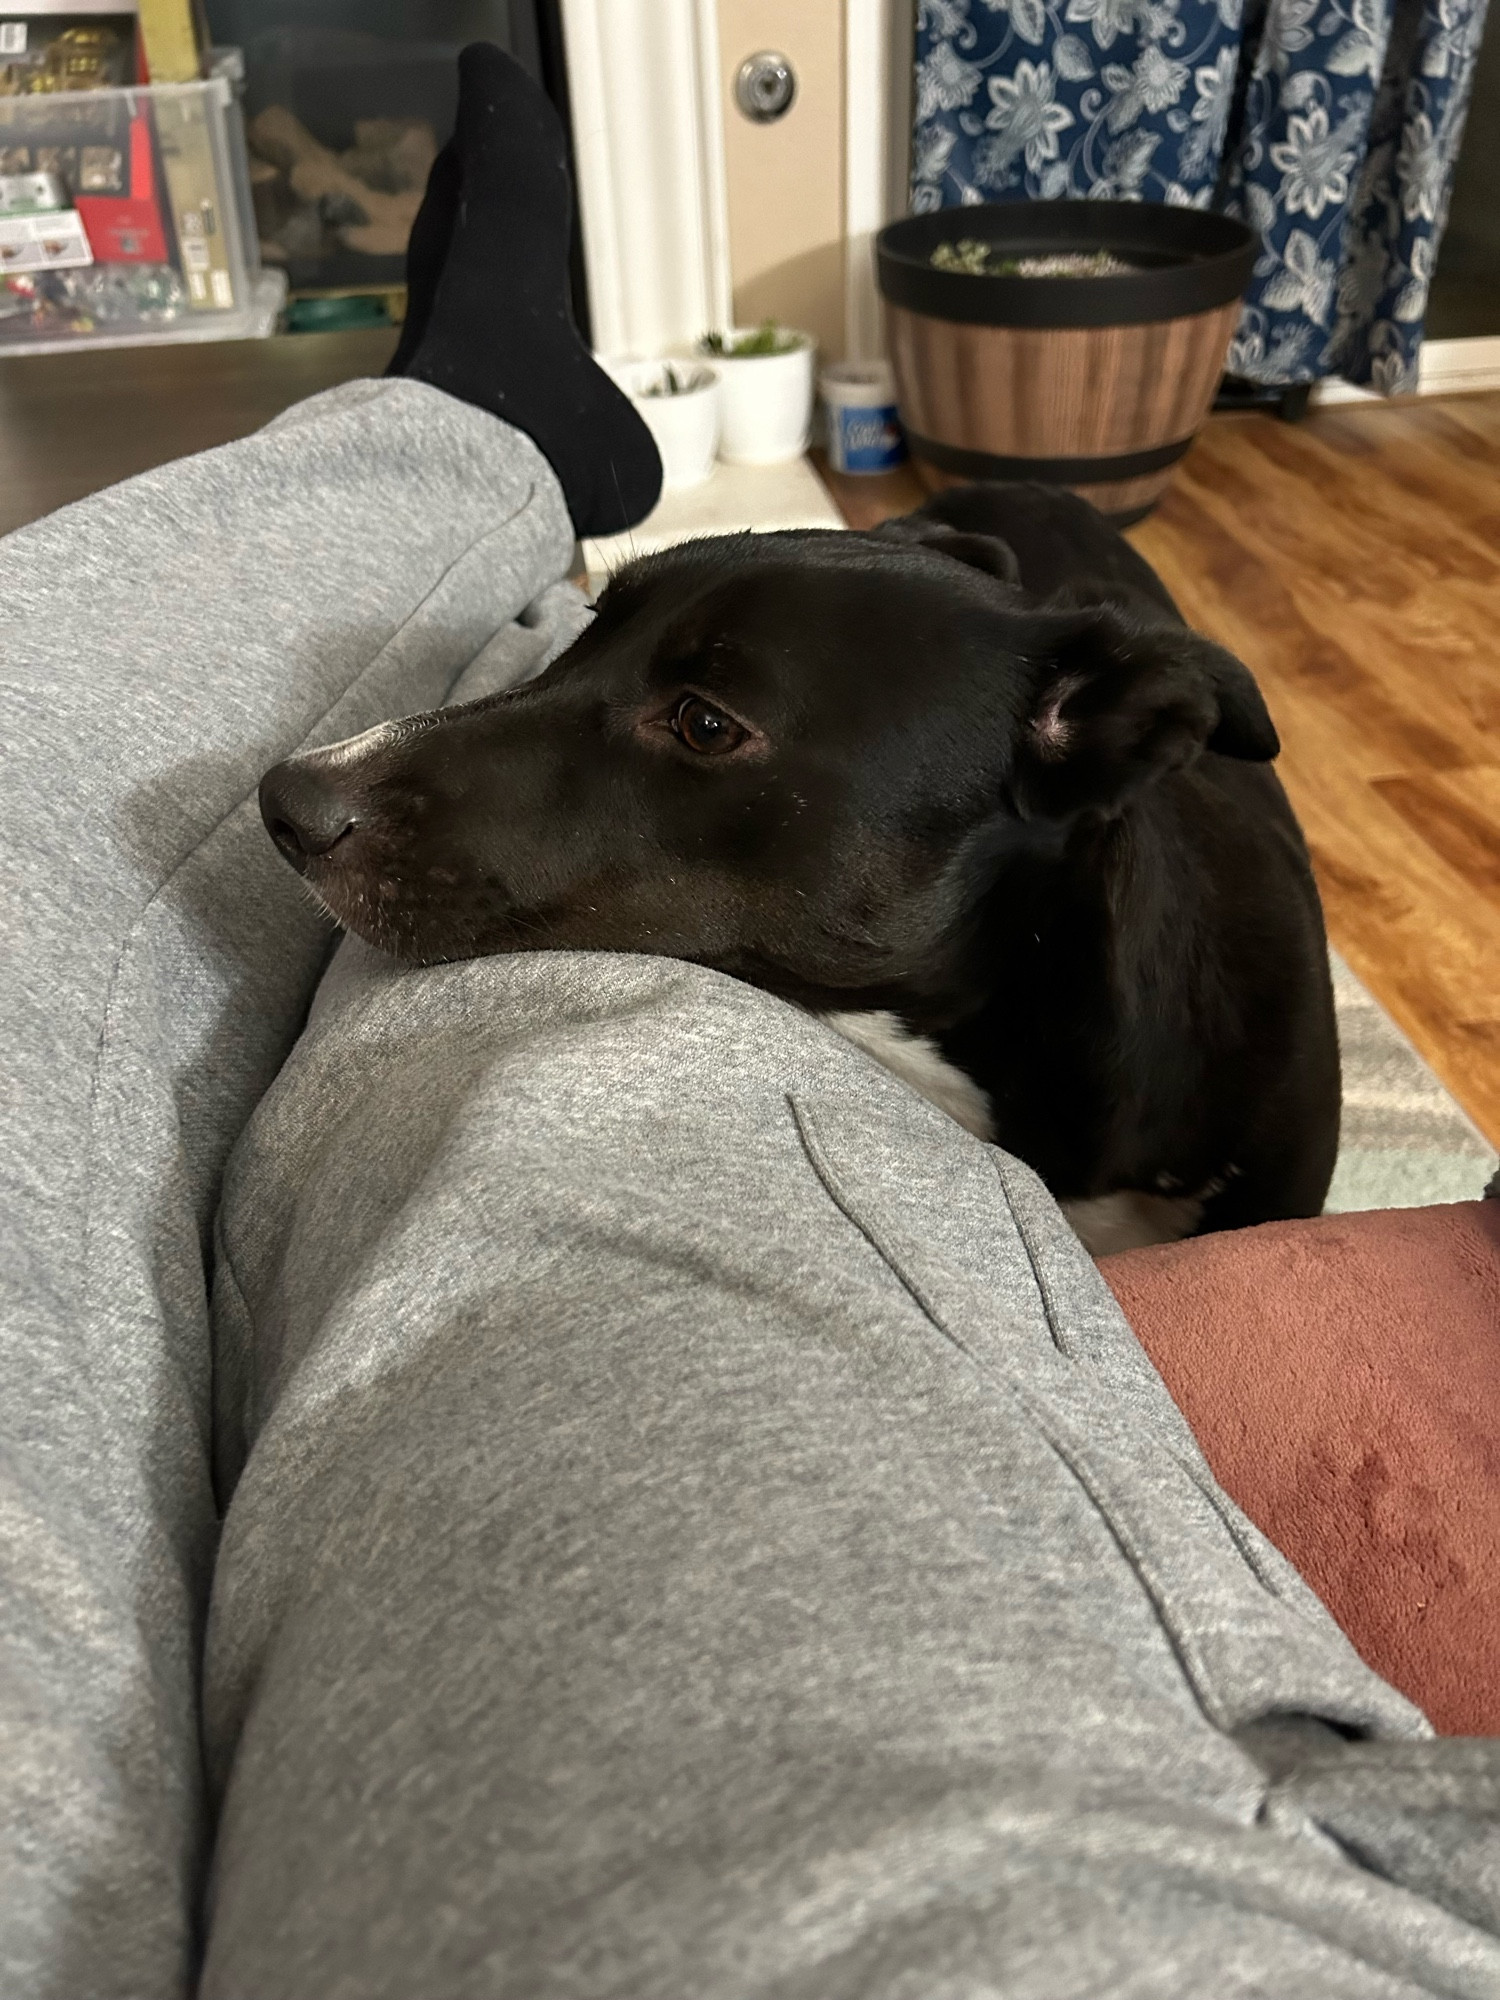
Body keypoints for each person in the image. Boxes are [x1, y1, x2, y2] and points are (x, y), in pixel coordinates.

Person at [2, 43, 1497, 2000]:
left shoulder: (1233, 1098)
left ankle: (473, 436)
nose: (330, 789)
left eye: (697, 727)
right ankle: (500, 454)